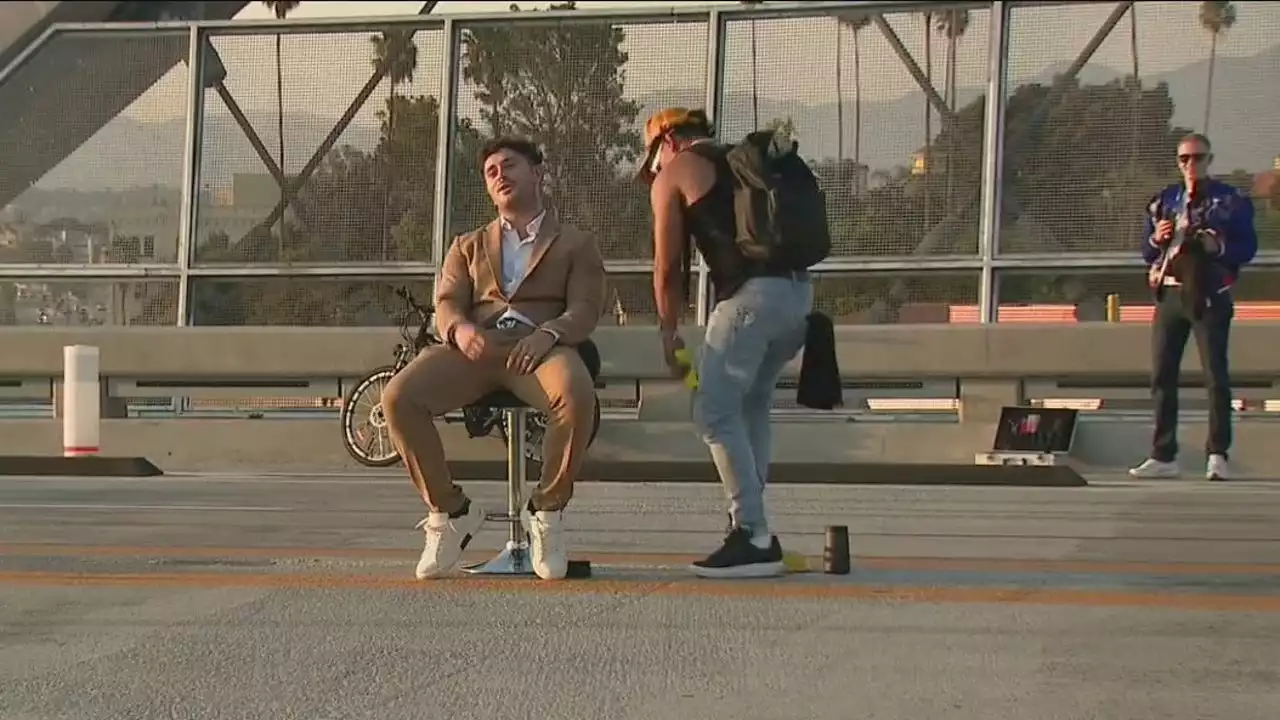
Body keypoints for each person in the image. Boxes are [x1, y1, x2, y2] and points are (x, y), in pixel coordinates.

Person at [381, 137, 606, 580]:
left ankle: (546, 512)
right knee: (398, 397)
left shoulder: (577, 244)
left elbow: (586, 308)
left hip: (539, 350)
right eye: (491, 172)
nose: (499, 175)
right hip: (476, 348)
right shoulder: (467, 245)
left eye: (509, 165)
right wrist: (460, 329)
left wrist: (549, 334)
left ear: (538, 173)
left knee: (577, 393)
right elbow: (445, 301)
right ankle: (450, 513)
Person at [639, 108, 816, 579]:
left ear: (667, 142)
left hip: (750, 301)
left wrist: (668, 330)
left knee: (713, 413)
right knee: (752, 405)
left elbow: (667, 266)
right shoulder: (743, 164)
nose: (653, 170)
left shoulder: (675, 172)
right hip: (798, 297)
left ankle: (752, 534)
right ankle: (756, 528)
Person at [1129, 132, 1257, 482]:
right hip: (1170, 294)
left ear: (1209, 160)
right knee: (1162, 374)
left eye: (1197, 157)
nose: (1190, 165)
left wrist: (1218, 246)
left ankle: (1217, 453)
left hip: (1209, 293)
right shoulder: (1164, 200)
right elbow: (1146, 249)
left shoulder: (1230, 200)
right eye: (1184, 158)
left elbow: (1247, 246)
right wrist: (1157, 238)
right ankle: (1163, 453)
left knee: (1215, 375)